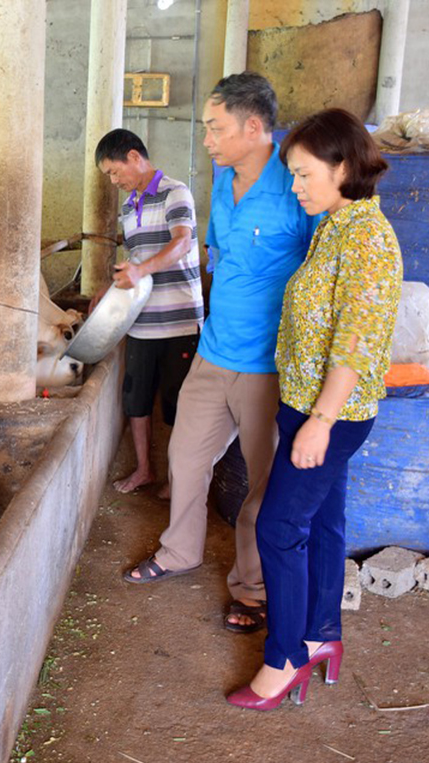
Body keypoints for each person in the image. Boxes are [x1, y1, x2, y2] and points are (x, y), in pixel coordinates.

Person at [124, 72, 320, 637]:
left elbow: (319, 273)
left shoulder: (298, 185)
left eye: (216, 128)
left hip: (268, 367)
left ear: (253, 127)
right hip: (214, 353)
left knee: (263, 485)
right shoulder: (223, 177)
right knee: (185, 460)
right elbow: (218, 259)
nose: (206, 139)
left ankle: (252, 587)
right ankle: (180, 550)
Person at [227, 108, 402, 709]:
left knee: (279, 527)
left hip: (331, 414)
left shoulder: (369, 240)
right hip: (306, 404)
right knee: (323, 521)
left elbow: (355, 340)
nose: (296, 187)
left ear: (344, 167)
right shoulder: (336, 225)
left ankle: (284, 658)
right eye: (293, 175)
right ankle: (323, 634)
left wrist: (320, 423)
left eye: (304, 175)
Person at [91, 129, 203, 497]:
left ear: (135, 157)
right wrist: (108, 290)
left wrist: (142, 270)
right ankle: (144, 470)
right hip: (140, 323)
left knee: (178, 406)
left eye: (114, 171)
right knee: (136, 401)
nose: (114, 180)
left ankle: (177, 477)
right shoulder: (128, 207)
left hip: (179, 322)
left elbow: (182, 242)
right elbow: (136, 262)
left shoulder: (175, 192)